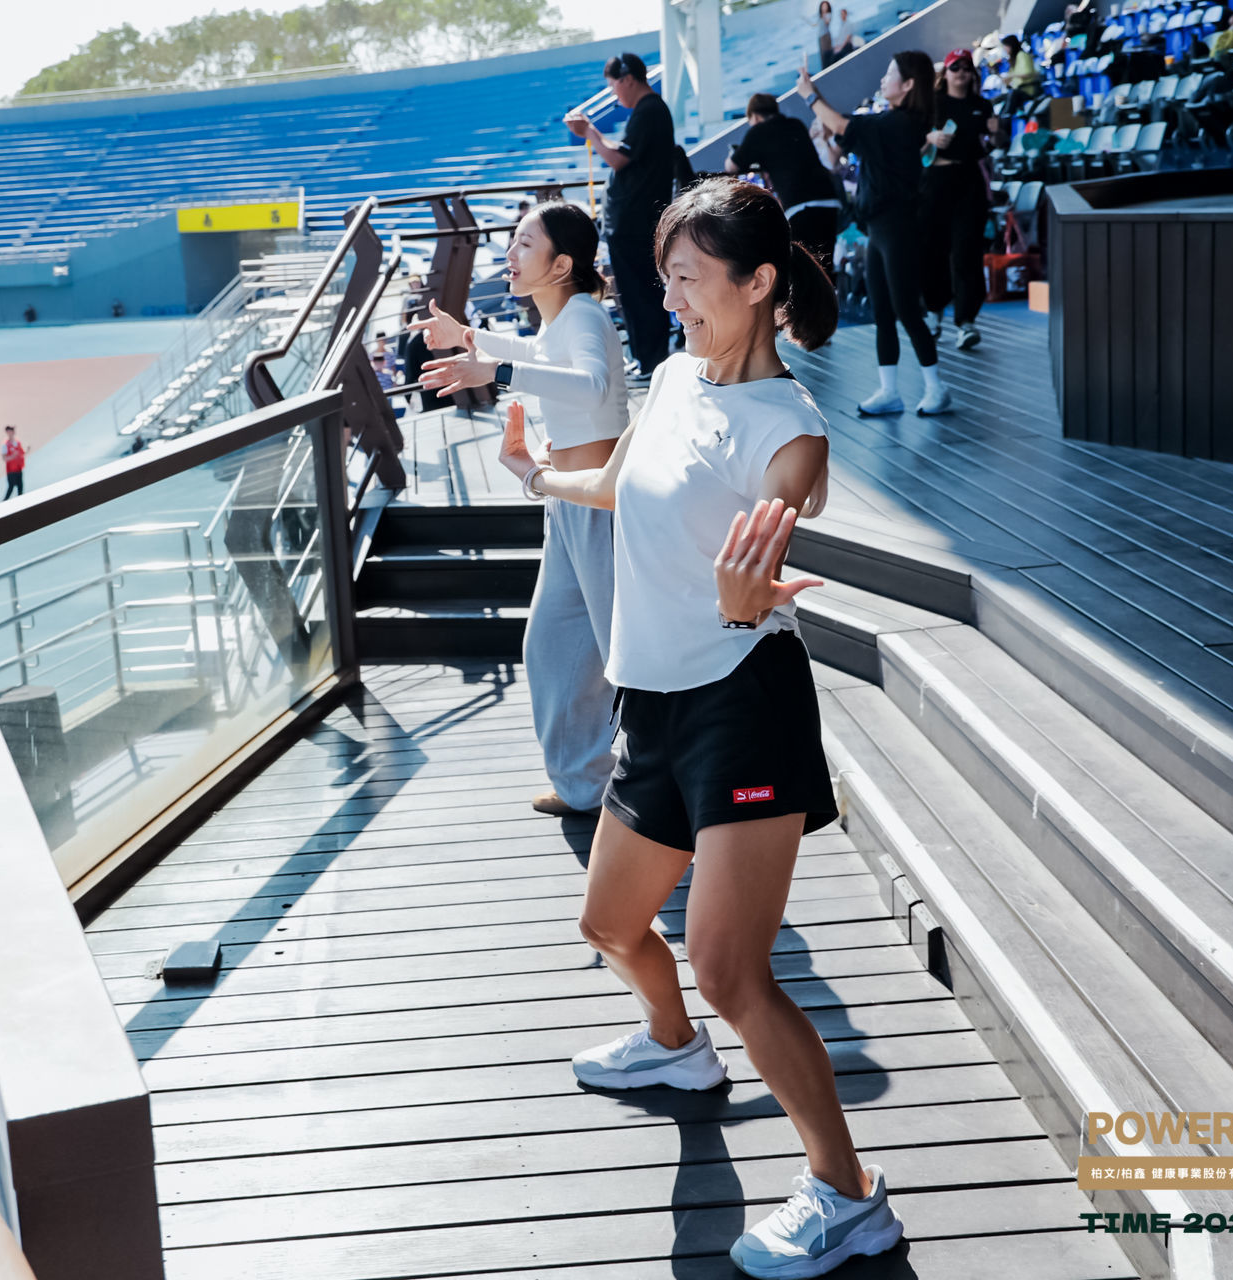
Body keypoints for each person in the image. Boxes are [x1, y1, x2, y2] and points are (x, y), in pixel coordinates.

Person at [495, 177, 903, 1278]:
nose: (669, 299)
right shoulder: (677, 373)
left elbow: (783, 518)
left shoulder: (790, 429)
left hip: (742, 704)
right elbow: (623, 483)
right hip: (652, 702)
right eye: (664, 277)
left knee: (731, 969)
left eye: (686, 278)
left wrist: (746, 598)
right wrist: (539, 475)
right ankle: (674, 1049)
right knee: (611, 925)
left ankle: (848, 1194)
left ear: (758, 282)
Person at [411, 201, 629, 819]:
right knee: (553, 645)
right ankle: (587, 785)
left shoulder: (583, 315)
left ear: (561, 265)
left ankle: (661, 783)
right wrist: (469, 338)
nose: (509, 254)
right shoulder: (563, 319)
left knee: (625, 650)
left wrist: (496, 366)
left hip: (599, 502)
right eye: (511, 242)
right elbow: (538, 355)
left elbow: (589, 384)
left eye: (524, 244)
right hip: (568, 498)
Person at [800, 51, 953, 415]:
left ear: (909, 84)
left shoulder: (900, 123)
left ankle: (936, 387)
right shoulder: (890, 122)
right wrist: (822, 111)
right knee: (882, 311)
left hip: (899, 228)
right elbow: (841, 136)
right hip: (879, 228)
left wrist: (809, 96)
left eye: (890, 74)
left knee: (907, 310)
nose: (883, 80)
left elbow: (843, 126)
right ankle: (889, 390)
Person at [565, 52, 678, 383]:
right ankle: (644, 357)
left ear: (627, 79)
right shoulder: (649, 111)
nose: (614, 94)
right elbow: (626, 153)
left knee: (640, 291)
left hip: (636, 220)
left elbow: (619, 159)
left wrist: (590, 132)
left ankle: (651, 360)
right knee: (634, 291)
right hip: (636, 219)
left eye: (614, 85)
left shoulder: (650, 110)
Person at [922, 50, 997, 350]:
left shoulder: (982, 105)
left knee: (967, 250)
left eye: (967, 67)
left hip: (968, 181)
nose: (961, 73)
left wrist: (997, 132)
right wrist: (930, 138)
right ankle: (934, 311)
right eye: (955, 68)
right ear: (946, 73)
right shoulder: (932, 103)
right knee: (933, 249)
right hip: (936, 179)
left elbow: (996, 144)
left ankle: (966, 321)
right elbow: (914, 139)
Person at [726, 93, 844, 272]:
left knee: (803, 270)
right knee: (825, 268)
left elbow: (731, 167)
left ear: (755, 117)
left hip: (800, 206)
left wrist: (733, 154)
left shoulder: (758, 131)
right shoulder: (796, 124)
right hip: (828, 200)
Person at [999, 35, 1042, 115]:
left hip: (1027, 90)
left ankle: (1007, 117)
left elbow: (1027, 73)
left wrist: (1012, 76)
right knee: (999, 98)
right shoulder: (1013, 59)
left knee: (1012, 95)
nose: (1004, 49)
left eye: (1006, 46)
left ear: (1011, 46)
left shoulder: (1022, 55)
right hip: (1017, 90)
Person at [1, 425, 26, 500]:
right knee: (11, 487)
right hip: (11, 470)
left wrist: (27, 450)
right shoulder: (5, 444)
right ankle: (4, 503)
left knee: (20, 488)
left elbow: (22, 453)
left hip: (19, 468)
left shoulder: (17, 442)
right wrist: (12, 456)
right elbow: (4, 458)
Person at [815, 1, 837, 69]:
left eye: (825, 6)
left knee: (826, 54)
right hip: (820, 37)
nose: (824, 7)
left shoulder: (828, 14)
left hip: (826, 36)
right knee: (822, 55)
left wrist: (824, 14)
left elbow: (827, 22)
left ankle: (829, 68)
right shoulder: (820, 16)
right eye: (823, 6)